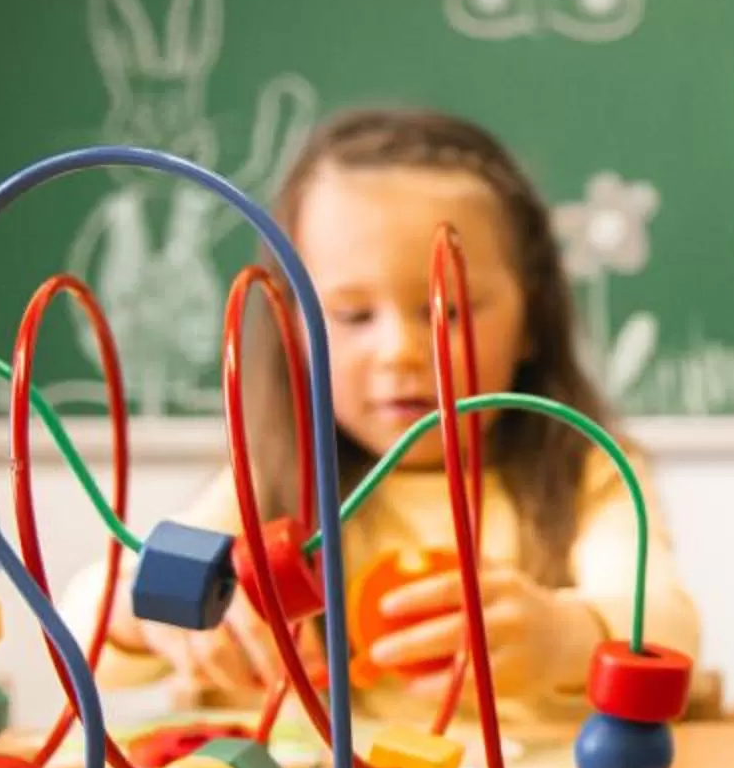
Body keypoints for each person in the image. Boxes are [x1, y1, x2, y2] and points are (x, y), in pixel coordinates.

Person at [96, 108, 700, 718]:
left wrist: (562, 636)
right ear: (292, 329)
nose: (401, 353)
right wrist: (152, 619)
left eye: (450, 312)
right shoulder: (272, 482)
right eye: (354, 316)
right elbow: (90, 611)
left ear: (531, 323)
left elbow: (669, 629)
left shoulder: (583, 471)